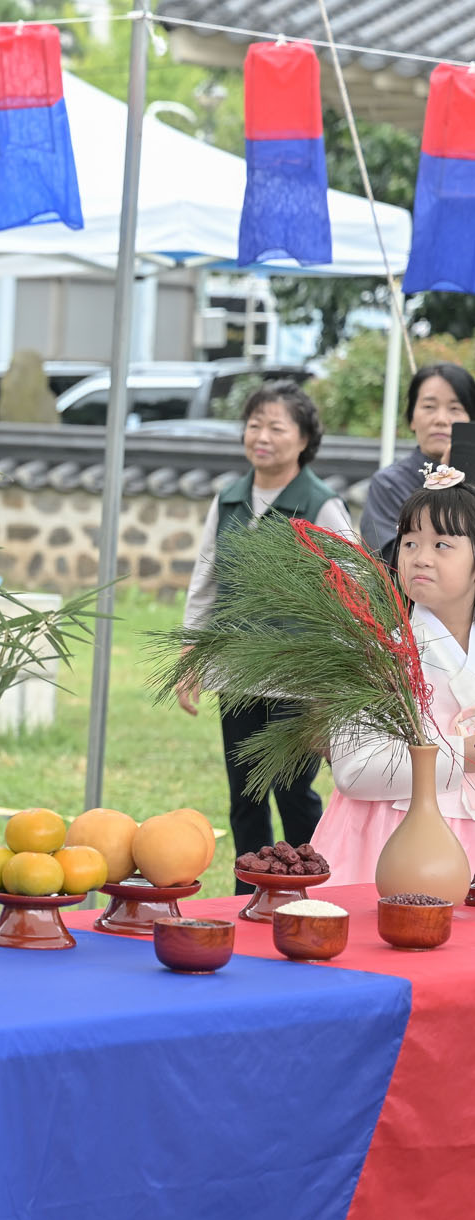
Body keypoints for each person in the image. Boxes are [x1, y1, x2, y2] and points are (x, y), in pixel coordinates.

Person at [178, 383, 353, 887]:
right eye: (254, 425)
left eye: (277, 427)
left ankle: (312, 888)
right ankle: (247, 898)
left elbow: (354, 589)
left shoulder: (320, 505)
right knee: (245, 798)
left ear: (304, 439)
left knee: (294, 795)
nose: (262, 436)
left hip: (299, 682)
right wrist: (191, 652)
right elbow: (206, 581)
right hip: (236, 675)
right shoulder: (229, 499)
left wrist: (336, 684)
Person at [313, 427, 475, 874]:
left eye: (442, 545)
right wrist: (464, 754)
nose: (420, 557)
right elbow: (354, 770)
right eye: (410, 543)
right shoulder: (377, 651)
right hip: (383, 841)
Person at [359, 362, 475, 556]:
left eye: (455, 408)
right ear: (412, 418)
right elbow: (390, 559)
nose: (441, 419)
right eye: (429, 406)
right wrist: (445, 486)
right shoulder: (389, 485)